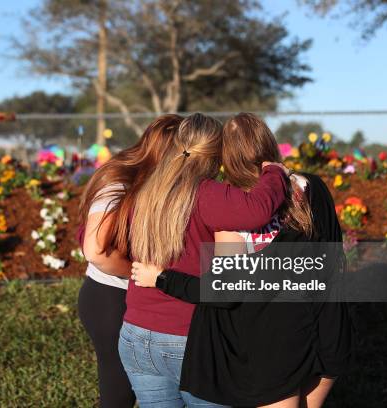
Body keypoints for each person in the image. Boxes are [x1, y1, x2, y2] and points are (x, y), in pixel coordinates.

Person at [131, 113, 353, 407]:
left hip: (274, 345)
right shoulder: (312, 187)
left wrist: (161, 278)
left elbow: (223, 292)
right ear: (269, 143)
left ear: (226, 156)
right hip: (327, 327)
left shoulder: (234, 211)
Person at [119, 113, 291, 407]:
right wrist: (274, 172)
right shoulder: (208, 194)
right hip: (187, 338)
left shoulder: (146, 191)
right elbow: (258, 209)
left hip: (135, 334)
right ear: (217, 154)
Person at [77, 114, 183, 408]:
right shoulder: (121, 182)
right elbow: (95, 249)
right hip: (110, 296)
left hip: (127, 297)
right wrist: (135, 273)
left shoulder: (153, 183)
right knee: (119, 394)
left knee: (129, 390)